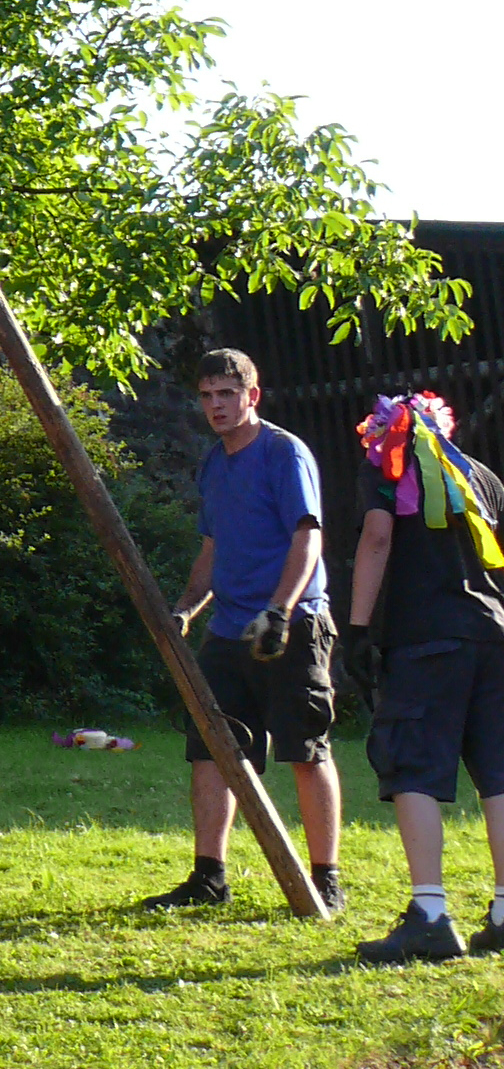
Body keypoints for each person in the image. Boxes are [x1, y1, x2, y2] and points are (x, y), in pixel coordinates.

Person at [140, 346, 345, 916]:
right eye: (206, 396)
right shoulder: (214, 464)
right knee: (211, 751)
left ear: (252, 396)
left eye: (227, 394)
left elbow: (308, 536)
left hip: (292, 625)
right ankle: (209, 877)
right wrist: (185, 609)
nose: (216, 406)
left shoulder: (284, 453)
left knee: (305, 750)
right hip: (229, 631)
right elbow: (213, 548)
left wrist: (279, 610)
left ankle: (326, 878)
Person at [345, 391, 504, 966]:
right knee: (498, 772)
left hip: (424, 636)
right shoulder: (480, 477)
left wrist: (359, 629)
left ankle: (431, 916)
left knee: (411, 764)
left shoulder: (384, 471)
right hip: (492, 635)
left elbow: (378, 537)